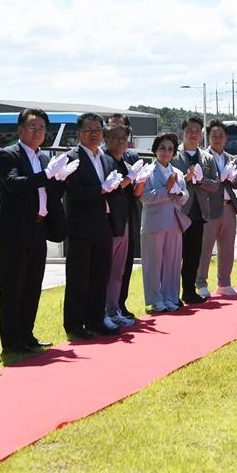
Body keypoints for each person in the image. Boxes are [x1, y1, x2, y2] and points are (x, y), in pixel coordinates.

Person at [0, 108, 64, 354]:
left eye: (42, 128)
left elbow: (50, 192)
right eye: (32, 127)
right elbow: (13, 185)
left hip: (39, 227)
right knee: (13, 286)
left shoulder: (44, 158)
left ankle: (26, 334)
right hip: (15, 230)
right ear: (20, 129)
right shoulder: (7, 155)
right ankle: (11, 341)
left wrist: (60, 179)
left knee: (33, 285)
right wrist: (46, 175)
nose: (37, 132)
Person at [63, 112, 119, 340]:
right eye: (89, 130)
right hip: (81, 226)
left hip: (103, 224)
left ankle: (95, 319)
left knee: (100, 275)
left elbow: (111, 189)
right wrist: (101, 190)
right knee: (79, 277)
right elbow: (73, 191)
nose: (94, 134)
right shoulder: (71, 158)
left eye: (98, 130)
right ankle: (74, 324)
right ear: (79, 133)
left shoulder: (105, 158)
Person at [141, 133, 190, 313]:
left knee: (173, 262)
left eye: (170, 149)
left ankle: (170, 296)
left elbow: (185, 196)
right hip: (154, 222)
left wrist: (179, 194)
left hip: (174, 223)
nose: (166, 152)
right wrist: (167, 191)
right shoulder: (147, 171)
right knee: (153, 263)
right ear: (155, 150)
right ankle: (154, 300)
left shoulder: (177, 173)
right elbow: (144, 197)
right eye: (162, 148)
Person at [194, 119, 237, 297]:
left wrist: (232, 178)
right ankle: (201, 284)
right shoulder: (202, 157)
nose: (217, 138)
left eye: (221, 135)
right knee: (205, 248)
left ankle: (224, 283)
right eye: (213, 135)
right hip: (209, 208)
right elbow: (200, 183)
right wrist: (219, 179)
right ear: (208, 137)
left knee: (227, 248)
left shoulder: (231, 158)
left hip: (229, 207)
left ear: (226, 137)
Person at [102, 123, 143, 329]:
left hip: (125, 220)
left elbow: (132, 193)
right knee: (106, 271)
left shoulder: (124, 161)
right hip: (110, 223)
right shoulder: (105, 161)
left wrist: (139, 181)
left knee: (119, 272)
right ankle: (103, 311)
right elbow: (110, 189)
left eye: (123, 138)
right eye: (114, 137)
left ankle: (114, 309)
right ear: (106, 139)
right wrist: (129, 179)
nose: (120, 141)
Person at [172, 117, 208, 304]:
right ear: (183, 132)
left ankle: (189, 291)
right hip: (179, 212)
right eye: (189, 130)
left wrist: (202, 181)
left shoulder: (206, 157)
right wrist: (185, 178)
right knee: (175, 256)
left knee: (194, 255)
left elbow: (216, 184)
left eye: (197, 130)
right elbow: (169, 184)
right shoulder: (173, 154)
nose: (193, 134)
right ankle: (172, 295)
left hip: (199, 212)